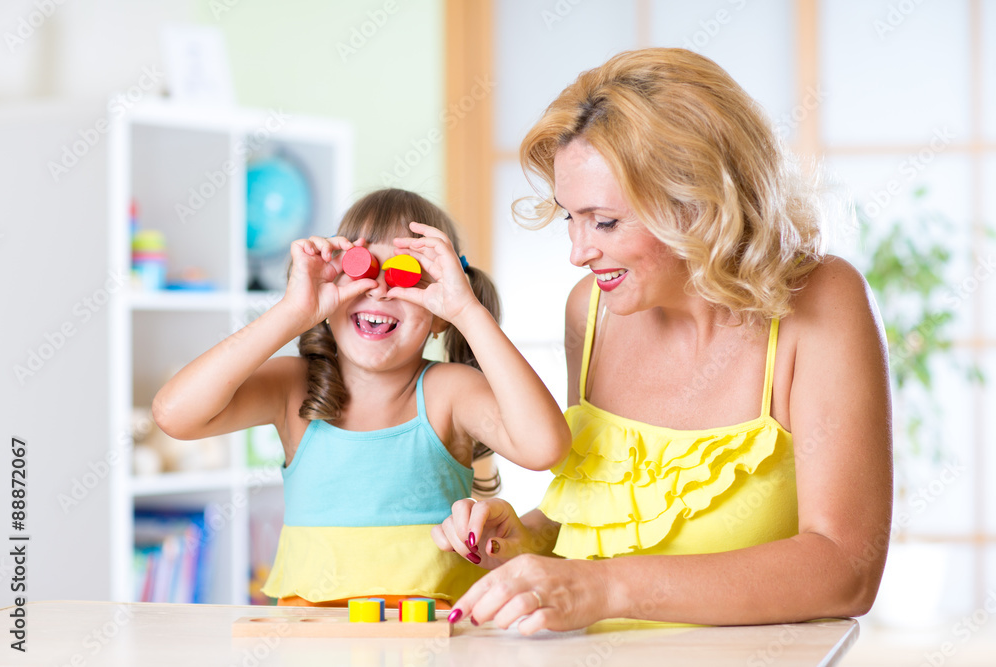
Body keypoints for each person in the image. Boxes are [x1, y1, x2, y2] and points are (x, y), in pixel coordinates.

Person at [432, 48, 892, 631]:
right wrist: (526, 540)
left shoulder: (821, 301)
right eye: (567, 217)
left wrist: (605, 588)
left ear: (699, 204)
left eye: (604, 222)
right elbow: (606, 514)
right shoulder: (591, 311)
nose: (578, 251)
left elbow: (845, 568)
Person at [153, 188, 572, 608]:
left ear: (439, 314)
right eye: (362, 269)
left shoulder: (448, 391)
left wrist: (466, 310)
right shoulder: (296, 386)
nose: (381, 291)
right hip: (312, 640)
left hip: (430, 641)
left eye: (408, 275)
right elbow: (175, 415)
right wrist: (292, 312)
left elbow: (544, 447)